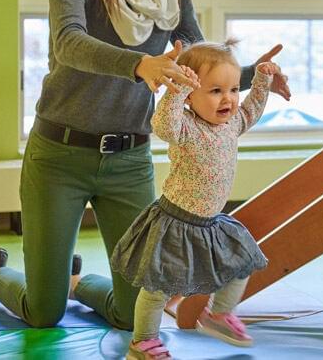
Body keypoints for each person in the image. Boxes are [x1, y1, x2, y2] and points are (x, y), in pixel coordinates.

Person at [0, 0, 290, 331]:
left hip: (129, 161)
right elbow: (68, 42)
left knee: (130, 312)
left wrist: (253, 75)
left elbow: (197, 61)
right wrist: (141, 64)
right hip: (60, 155)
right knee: (43, 312)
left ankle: (73, 282)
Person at [112, 41, 275, 359]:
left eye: (232, 89)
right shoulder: (186, 126)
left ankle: (217, 315)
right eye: (215, 91)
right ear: (191, 96)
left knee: (242, 263)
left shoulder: (231, 124)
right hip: (176, 221)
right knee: (158, 287)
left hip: (211, 222)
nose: (227, 98)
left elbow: (252, 108)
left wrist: (262, 80)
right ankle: (142, 341)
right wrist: (176, 91)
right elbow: (162, 125)